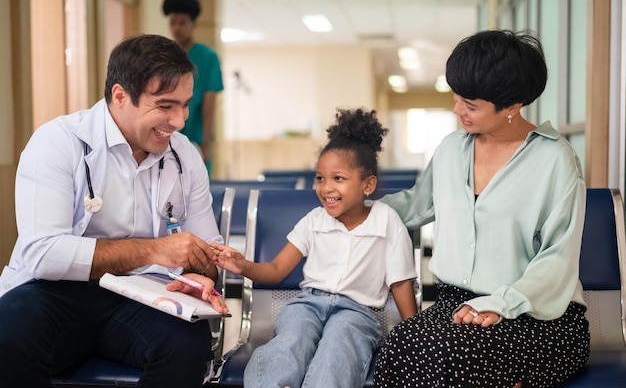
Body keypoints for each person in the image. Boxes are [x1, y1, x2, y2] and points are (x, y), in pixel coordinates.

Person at [0, 34, 229, 388]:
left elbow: (207, 247)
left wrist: (204, 274)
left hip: (144, 295)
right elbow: (44, 254)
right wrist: (155, 249)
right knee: (8, 331)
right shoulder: (58, 142)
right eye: (166, 106)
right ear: (120, 96)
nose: (180, 120)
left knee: (187, 345)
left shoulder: (185, 155)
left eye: (185, 105)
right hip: (55, 292)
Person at [373, 30, 590, 388]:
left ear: (512, 106)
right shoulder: (450, 149)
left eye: (470, 105)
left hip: (535, 315)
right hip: (455, 307)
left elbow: (557, 259)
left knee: (455, 360)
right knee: (398, 347)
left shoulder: (555, 159)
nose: (458, 110)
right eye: (457, 98)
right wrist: (352, 209)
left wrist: (499, 304)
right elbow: (413, 206)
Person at [209, 108, 418, 388]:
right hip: (307, 303)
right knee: (291, 339)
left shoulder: (386, 220)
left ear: (368, 185)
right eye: (320, 178)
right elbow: (276, 269)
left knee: (339, 345)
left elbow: (401, 282)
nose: (326, 188)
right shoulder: (314, 221)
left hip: (357, 311)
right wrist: (243, 265)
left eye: (338, 178)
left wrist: (412, 336)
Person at [163, 0, 224, 176]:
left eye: (182, 22)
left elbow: (209, 103)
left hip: (195, 136)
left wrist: (206, 142)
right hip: (166, 134)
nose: (177, 28)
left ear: (193, 24)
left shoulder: (208, 58)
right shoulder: (164, 56)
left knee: (196, 184)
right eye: (173, 22)